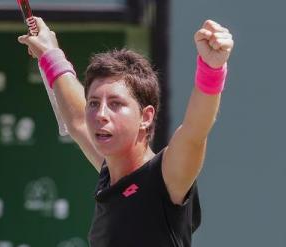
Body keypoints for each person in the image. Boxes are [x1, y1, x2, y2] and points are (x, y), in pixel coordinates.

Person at [18, 17, 234, 247]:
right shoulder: (109, 173)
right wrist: (50, 54)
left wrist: (212, 68)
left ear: (146, 117)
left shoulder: (164, 177)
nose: (100, 114)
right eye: (93, 102)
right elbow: (78, 120)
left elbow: (194, 131)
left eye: (115, 104)